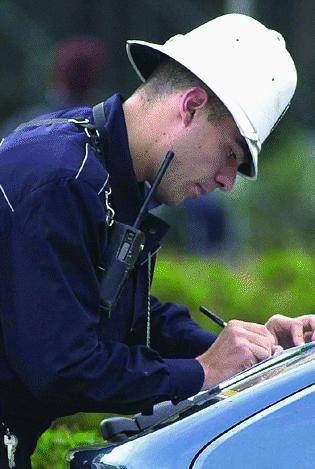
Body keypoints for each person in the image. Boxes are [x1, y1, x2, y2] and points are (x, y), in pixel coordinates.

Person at [0, 13, 314, 468]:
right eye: (230, 154)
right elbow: (64, 366)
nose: (227, 182)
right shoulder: (61, 182)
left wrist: (250, 349)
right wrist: (204, 372)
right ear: (190, 107)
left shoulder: (94, 171)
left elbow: (124, 319)